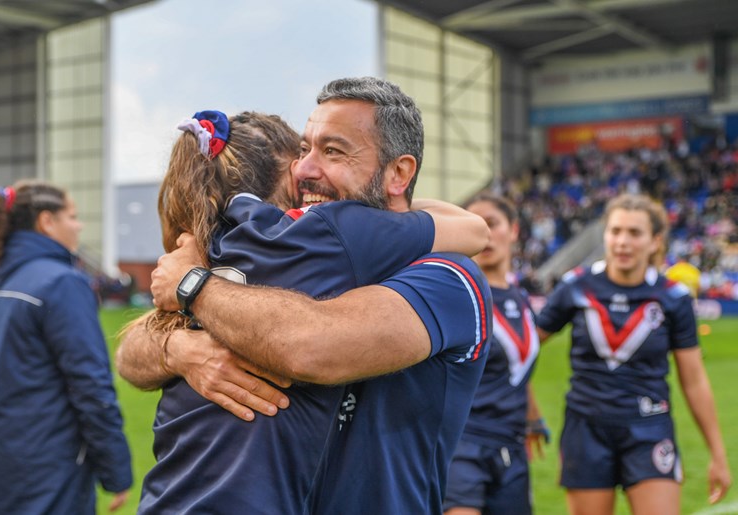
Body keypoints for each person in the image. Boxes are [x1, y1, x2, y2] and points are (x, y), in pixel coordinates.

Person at [126, 76, 492, 514]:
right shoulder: (298, 250)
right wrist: (178, 348)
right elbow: (131, 351)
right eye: (304, 150)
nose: (304, 169)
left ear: (398, 173)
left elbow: (311, 345)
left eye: (333, 151)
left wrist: (194, 288)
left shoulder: (446, 276)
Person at [536, 193, 731, 515]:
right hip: (586, 429)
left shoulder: (673, 298)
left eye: (634, 233)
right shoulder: (575, 287)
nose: (623, 242)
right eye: (616, 231)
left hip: (650, 428)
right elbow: (521, 350)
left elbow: (694, 381)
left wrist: (718, 453)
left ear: (655, 241)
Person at [0, 181, 132, 514]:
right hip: (50, 469)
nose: (79, 225)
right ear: (46, 222)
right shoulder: (61, 283)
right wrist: (116, 469)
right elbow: (91, 383)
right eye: (71, 216)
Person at [443, 193, 547, 515]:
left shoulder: (523, 299)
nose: (484, 233)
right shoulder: (452, 293)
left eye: (492, 223)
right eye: (473, 225)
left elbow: (517, 370)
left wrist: (533, 418)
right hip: (462, 445)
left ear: (514, 230)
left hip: (512, 449)